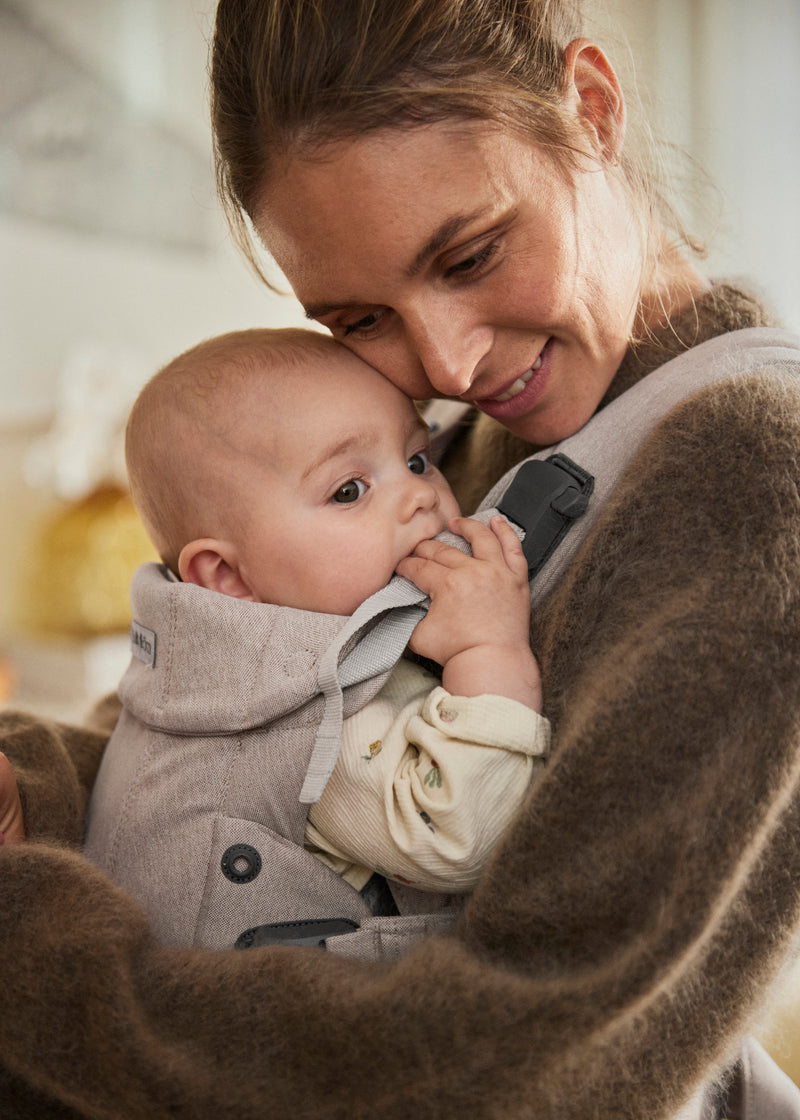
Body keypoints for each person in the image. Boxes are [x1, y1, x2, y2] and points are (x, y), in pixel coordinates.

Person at [3, 1, 800, 1116]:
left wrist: (35, 957)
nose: (444, 359)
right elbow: (275, 697)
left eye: (472, 253)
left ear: (593, 109)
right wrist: (32, 774)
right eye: (359, 317)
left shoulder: (747, 480)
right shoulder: (480, 433)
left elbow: (533, 1060)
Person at [84, 326, 549, 948]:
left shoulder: (189, 663)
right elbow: (453, 833)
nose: (418, 495)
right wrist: (487, 651)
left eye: (417, 459)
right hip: (259, 1025)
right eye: (348, 490)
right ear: (227, 576)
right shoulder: (303, 714)